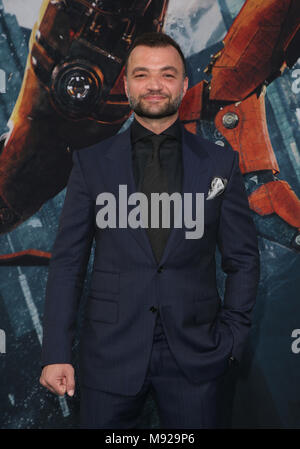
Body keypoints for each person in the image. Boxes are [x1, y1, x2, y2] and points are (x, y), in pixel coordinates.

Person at [39, 32, 260, 429]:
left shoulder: (220, 164)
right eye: (142, 75)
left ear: (184, 84)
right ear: (125, 84)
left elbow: (242, 259)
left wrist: (232, 340)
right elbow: (69, 262)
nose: (155, 85)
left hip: (198, 356)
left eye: (167, 74)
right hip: (109, 357)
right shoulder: (92, 164)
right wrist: (57, 350)